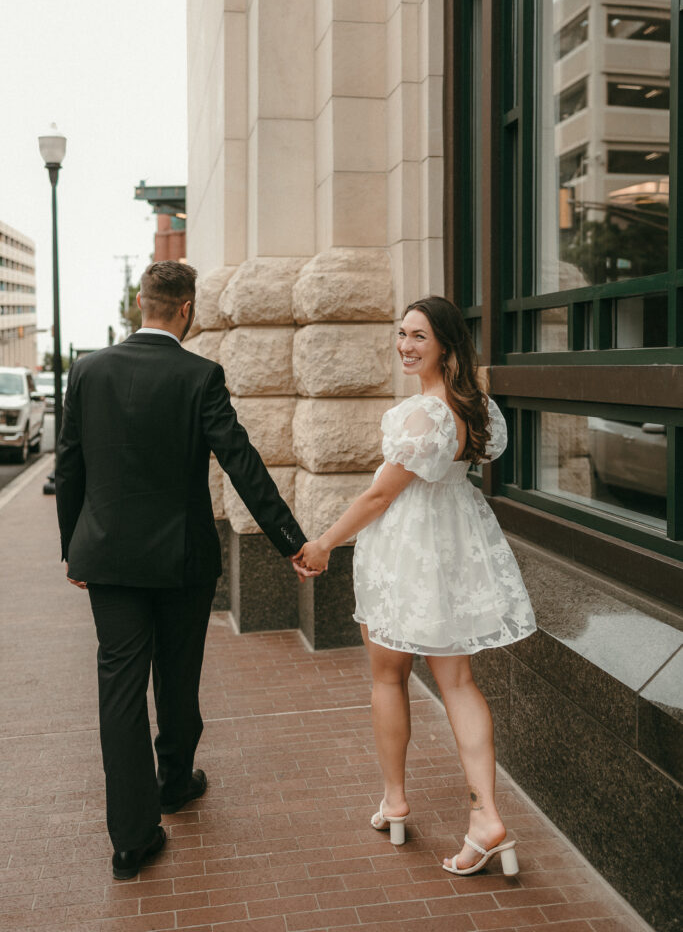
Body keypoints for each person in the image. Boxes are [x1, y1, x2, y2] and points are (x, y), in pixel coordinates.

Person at [56, 261, 314, 880]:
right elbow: (241, 461)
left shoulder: (87, 370)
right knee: (177, 676)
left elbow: (70, 465)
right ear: (187, 310)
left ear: (140, 304)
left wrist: (75, 550)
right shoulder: (200, 376)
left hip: (109, 560)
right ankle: (174, 783)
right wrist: (290, 541)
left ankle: (131, 840)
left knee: (118, 690)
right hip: (181, 561)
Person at [296, 295, 536, 877]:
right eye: (401, 333)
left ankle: (396, 801)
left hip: (407, 552)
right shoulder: (475, 408)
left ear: (446, 346)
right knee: (458, 683)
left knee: (387, 675)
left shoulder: (421, 414)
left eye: (419, 337)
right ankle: (485, 817)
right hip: (454, 546)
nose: (405, 345)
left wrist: (323, 544)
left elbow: (380, 495)